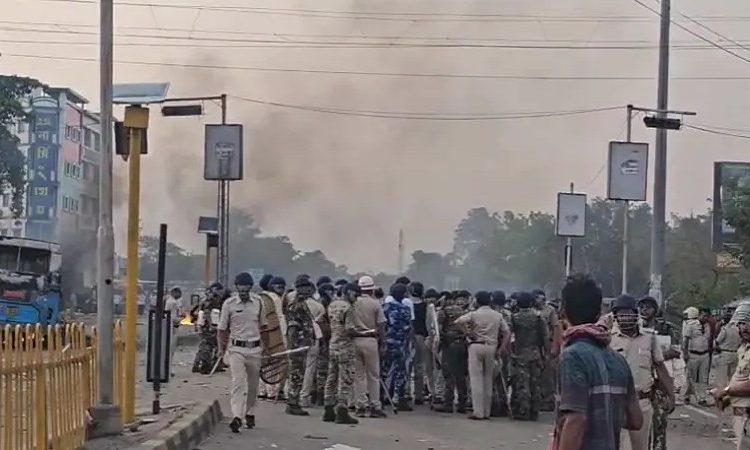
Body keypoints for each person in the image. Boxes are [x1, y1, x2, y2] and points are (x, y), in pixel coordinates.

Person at [553, 275, 642, 450]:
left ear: (563, 310)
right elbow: (636, 420)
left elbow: (576, 420)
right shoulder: (618, 360)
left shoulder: (572, 356)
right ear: (598, 312)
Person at [610, 295, 675, 450]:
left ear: (635, 313)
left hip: (642, 401)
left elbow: (660, 367)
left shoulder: (649, 338)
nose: (625, 318)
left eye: (628, 313)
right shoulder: (608, 339)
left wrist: (671, 395)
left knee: (640, 446)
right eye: (621, 314)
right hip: (614, 401)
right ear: (616, 317)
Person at [217, 272, 268, 433]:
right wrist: (221, 349)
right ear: (236, 287)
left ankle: (249, 413)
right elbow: (222, 329)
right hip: (236, 350)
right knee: (238, 383)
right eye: (241, 286)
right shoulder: (229, 304)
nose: (244, 289)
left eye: (246, 286)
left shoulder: (258, 302)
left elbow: (264, 327)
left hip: (255, 349)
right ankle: (237, 416)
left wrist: (267, 349)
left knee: (253, 386)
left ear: (250, 287)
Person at [456, 291, 510, 420]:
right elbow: (507, 332)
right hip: (491, 347)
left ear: (477, 300)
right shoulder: (497, 315)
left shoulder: (474, 314)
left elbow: (458, 321)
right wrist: (501, 349)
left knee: (476, 380)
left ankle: (478, 412)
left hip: (476, 345)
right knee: (488, 380)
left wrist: (468, 333)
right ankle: (486, 412)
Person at [323, 282, 371, 424]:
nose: (356, 299)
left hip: (333, 344)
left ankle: (328, 409)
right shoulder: (348, 308)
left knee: (331, 377)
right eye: (356, 295)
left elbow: (322, 321)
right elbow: (350, 329)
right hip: (345, 346)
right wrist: (365, 333)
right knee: (345, 379)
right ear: (349, 292)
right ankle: (342, 411)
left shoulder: (332, 305)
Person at [638, 296, 680, 450]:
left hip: (660, 381)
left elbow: (676, 351)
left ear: (655, 310)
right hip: (642, 381)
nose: (644, 310)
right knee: (641, 426)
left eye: (648, 307)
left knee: (660, 422)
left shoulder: (666, 328)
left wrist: (656, 355)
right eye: (642, 307)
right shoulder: (635, 328)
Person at [712, 302, 750, 450]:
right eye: (741, 324)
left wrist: (726, 391)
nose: (744, 328)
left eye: (748, 323)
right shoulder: (743, 349)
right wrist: (726, 398)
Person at [352, 276, 387, 418]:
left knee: (358, 376)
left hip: (355, 339)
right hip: (371, 340)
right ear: (372, 289)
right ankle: (375, 405)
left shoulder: (353, 303)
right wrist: (383, 343)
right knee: (373, 375)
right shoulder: (375, 304)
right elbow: (381, 325)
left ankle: (360, 405)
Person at [508, 291, 547, 421]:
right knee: (535, 383)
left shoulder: (515, 318)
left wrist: (511, 352)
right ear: (531, 302)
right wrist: (546, 353)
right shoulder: (538, 317)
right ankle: (535, 411)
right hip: (535, 353)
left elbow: (510, 336)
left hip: (520, 354)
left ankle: (523, 410)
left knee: (522, 384)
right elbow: (545, 336)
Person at [284, 276, 317, 416]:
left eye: (308, 287)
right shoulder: (296, 305)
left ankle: (294, 401)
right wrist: (293, 347)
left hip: (302, 344)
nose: (307, 290)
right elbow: (292, 328)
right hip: (297, 345)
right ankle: (292, 402)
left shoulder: (302, 303)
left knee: (299, 374)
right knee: (296, 375)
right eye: (304, 287)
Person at [434, 290, 469, 414]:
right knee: (461, 375)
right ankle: (462, 404)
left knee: (448, 375)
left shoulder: (443, 312)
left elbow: (438, 331)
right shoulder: (463, 311)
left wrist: (438, 346)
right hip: (462, 344)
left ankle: (448, 403)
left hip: (449, 345)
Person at [382, 283, 414, 412]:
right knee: (400, 372)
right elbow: (408, 327)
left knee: (384, 371)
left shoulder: (385, 307)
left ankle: (379, 396)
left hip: (386, 343)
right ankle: (399, 399)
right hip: (400, 344)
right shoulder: (405, 309)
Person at [258, 276, 286, 400]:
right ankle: (273, 392)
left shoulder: (258, 297)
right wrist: (284, 337)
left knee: (263, 361)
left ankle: (262, 391)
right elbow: (280, 318)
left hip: (260, 333)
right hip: (274, 332)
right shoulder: (275, 299)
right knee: (275, 362)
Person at [534, 288, 561, 411]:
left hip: (548, 345)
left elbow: (556, 328)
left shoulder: (550, 311)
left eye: (539, 298)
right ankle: (538, 400)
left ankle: (548, 401)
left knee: (548, 374)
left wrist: (555, 346)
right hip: (535, 345)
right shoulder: (532, 310)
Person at [301, 283, 327, 408]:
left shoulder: (293, 305)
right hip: (313, 338)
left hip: (297, 338)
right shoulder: (319, 306)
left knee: (295, 367)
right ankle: (304, 396)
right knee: (310, 368)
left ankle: (291, 394)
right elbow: (322, 325)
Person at [683, 306, 711, 404]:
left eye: (707, 316)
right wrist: (685, 353)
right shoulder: (691, 325)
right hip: (693, 354)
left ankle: (702, 398)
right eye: (703, 315)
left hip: (705, 354)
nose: (705, 318)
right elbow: (686, 339)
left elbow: (708, 339)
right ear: (699, 315)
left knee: (703, 378)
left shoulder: (707, 326)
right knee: (691, 377)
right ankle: (687, 395)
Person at [490, 290, 511, 417]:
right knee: (503, 377)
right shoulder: (508, 314)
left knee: (491, 378)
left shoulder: (492, 313)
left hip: (492, 346)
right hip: (504, 348)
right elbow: (509, 333)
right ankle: (503, 404)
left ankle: (493, 404)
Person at [192, 288, 223, 374]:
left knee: (204, 346)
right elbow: (206, 313)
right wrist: (211, 325)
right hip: (208, 327)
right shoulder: (210, 303)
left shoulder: (204, 302)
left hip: (205, 326)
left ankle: (197, 365)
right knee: (208, 347)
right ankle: (205, 366)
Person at [410, 282, 430, 405]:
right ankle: (418, 394)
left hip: (408, 337)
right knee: (419, 366)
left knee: (407, 366)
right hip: (421, 337)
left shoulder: (407, 304)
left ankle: (405, 392)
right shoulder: (425, 306)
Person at [315, 282, 334, 407]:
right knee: (323, 369)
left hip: (320, 339)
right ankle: (321, 395)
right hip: (324, 340)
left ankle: (318, 394)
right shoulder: (324, 305)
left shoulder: (319, 302)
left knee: (320, 369)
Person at [424, 288, 444, 409]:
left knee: (439, 367)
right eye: (428, 297)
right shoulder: (427, 309)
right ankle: (432, 391)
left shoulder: (439, 311)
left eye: (432, 298)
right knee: (429, 368)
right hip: (429, 341)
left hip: (437, 342)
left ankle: (438, 391)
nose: (430, 300)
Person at [164, 286, 184, 376]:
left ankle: (168, 368)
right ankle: (168, 369)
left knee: (170, 349)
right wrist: (181, 318)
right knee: (170, 349)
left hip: (172, 326)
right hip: (172, 327)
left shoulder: (172, 301)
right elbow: (172, 317)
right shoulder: (172, 302)